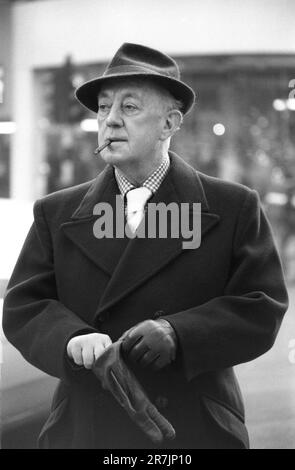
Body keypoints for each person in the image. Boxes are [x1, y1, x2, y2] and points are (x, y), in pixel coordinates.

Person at [2, 42, 289, 449]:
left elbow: (262, 305)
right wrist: (70, 338)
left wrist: (180, 332)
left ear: (169, 124)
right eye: (103, 108)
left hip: (194, 430)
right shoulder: (56, 212)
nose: (110, 121)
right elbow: (23, 307)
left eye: (130, 108)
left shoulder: (234, 207)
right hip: (86, 430)